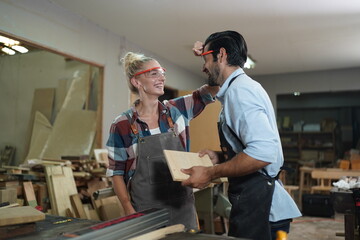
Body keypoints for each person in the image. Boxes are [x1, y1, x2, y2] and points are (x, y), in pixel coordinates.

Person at [181, 31, 301, 240]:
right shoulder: (238, 89)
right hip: (256, 203)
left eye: (206, 60)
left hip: (263, 209)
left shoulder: (240, 92)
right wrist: (222, 156)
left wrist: (210, 173)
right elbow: (250, 146)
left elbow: (262, 153)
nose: (203, 67)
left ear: (221, 55)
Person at [106, 52, 219, 231]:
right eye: (154, 73)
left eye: (162, 73)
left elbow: (212, 90)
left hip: (182, 207)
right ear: (137, 82)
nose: (161, 78)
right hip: (145, 211)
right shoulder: (122, 124)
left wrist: (211, 58)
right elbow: (116, 172)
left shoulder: (177, 110)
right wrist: (128, 209)